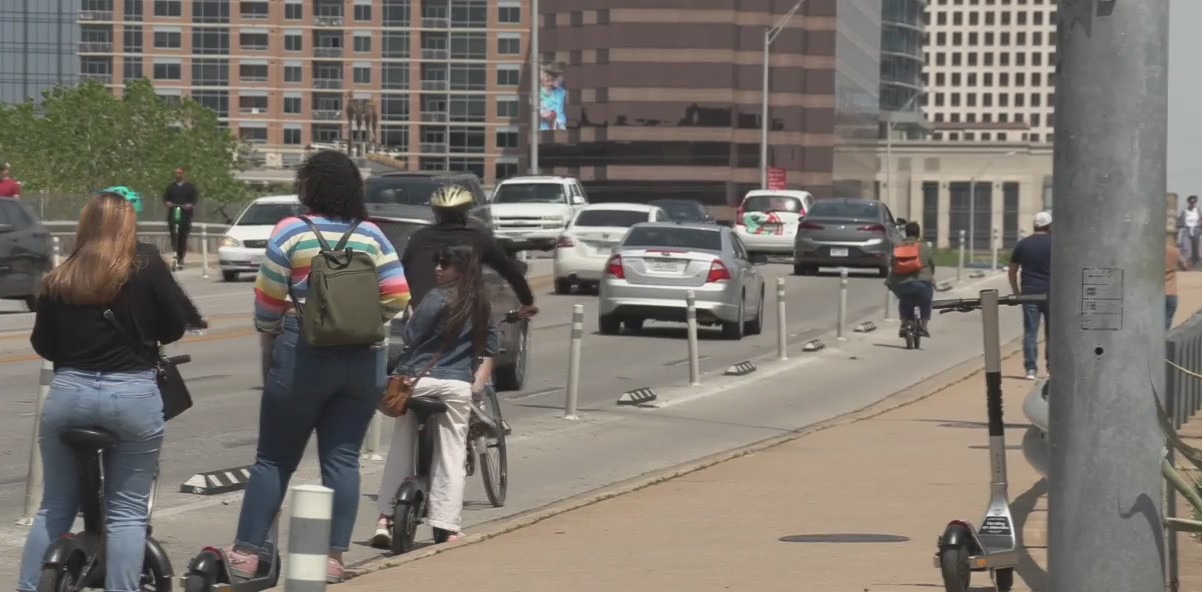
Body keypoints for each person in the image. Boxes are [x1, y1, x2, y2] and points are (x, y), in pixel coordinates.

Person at [225, 150, 410, 583]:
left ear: (310, 187)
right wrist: (361, 319)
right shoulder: (371, 235)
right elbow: (399, 294)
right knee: (343, 459)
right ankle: (332, 558)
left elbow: (269, 298)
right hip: (364, 359)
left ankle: (248, 553)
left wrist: (274, 325)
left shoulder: (292, 231)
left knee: (274, 459)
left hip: (303, 354)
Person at [18, 191, 202, 592]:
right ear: (130, 224)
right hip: (131, 397)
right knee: (127, 513)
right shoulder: (148, 264)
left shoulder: (61, 273)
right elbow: (173, 327)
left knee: (54, 507)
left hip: (69, 395)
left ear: (85, 224)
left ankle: (29, 587)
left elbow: (43, 345)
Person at [372, 242, 499, 548]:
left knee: (402, 444)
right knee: (453, 453)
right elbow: (491, 345)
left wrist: (411, 317)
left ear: (460, 268)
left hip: (420, 381)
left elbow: (413, 336)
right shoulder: (482, 303)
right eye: (438, 263)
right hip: (456, 387)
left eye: (446, 264)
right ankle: (447, 526)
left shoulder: (436, 297)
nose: (438, 269)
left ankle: (386, 517)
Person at [403, 184, 537, 317]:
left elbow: (402, 273)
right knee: (489, 332)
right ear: (466, 212)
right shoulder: (478, 238)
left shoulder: (418, 238)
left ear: (436, 212)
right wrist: (527, 301)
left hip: (420, 316)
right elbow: (510, 272)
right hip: (462, 317)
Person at [1009, 211, 1053, 380]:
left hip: (1029, 293)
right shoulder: (1055, 244)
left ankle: (1031, 369)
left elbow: (1012, 271)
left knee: (1030, 332)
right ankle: (1052, 368)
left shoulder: (1022, 245)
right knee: (1053, 332)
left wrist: (1016, 293)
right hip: (1052, 293)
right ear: (1049, 227)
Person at [886, 221, 936, 337]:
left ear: (906, 233)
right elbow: (931, 264)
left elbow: (893, 264)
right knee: (926, 301)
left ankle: (903, 324)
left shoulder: (898, 246)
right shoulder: (924, 247)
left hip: (901, 284)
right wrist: (930, 277)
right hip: (922, 284)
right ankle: (923, 327)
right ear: (918, 233)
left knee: (904, 300)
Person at [163, 167, 199, 268]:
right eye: (176, 173)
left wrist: (190, 204)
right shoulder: (171, 187)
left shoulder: (190, 187)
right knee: (174, 234)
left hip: (185, 215)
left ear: (183, 174)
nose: (177, 175)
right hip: (173, 214)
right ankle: (175, 254)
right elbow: (165, 198)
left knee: (183, 236)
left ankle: (181, 256)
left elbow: (194, 198)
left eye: (179, 173)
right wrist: (168, 203)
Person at [1168, 230, 1187, 330]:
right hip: (1171, 293)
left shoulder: (1154, 251)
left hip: (1156, 295)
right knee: (1166, 327)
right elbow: (1184, 266)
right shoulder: (1175, 251)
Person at [1181, 195, 1202, 268]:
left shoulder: (1197, 210)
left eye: (1194, 202)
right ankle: (1185, 263)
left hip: (1196, 229)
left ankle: (1195, 262)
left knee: (1195, 247)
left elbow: (1201, 219)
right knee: (1185, 246)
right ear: (1188, 202)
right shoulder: (1185, 211)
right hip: (1187, 229)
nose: (1192, 203)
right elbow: (1181, 220)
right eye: (1191, 202)